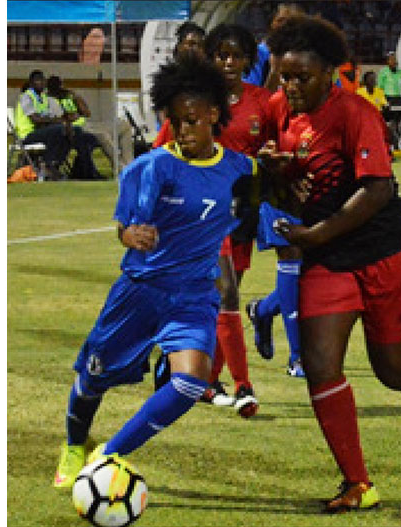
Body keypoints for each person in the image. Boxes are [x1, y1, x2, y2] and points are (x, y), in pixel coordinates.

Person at [261, 15, 401, 512]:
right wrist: (274, 175)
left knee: (392, 368)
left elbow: (378, 189)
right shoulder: (276, 111)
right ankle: (357, 483)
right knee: (319, 364)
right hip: (329, 259)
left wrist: (314, 233)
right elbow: (273, 180)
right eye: (284, 76)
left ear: (331, 71)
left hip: (388, 250)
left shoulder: (354, 112)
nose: (290, 87)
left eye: (302, 77)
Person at [53, 55, 260, 488]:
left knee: (190, 383)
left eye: (191, 121)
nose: (183, 131)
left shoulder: (240, 170)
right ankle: (74, 445)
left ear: (213, 115)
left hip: (193, 296)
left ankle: (106, 455)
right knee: (91, 378)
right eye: (176, 121)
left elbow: (263, 198)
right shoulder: (149, 168)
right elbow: (124, 227)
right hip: (139, 293)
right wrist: (132, 236)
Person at [151, 23, 285, 415]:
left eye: (237, 54)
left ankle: (205, 380)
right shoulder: (195, 101)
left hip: (244, 210)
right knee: (227, 292)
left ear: (248, 60)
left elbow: (273, 146)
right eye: (222, 54)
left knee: (220, 300)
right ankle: (244, 387)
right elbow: (161, 149)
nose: (229, 62)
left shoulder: (264, 102)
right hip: (202, 210)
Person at [47, 75, 105, 180]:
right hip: (68, 130)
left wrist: (77, 98)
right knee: (89, 141)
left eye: (60, 84)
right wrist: (71, 117)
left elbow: (87, 113)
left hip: (83, 126)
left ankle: (80, 170)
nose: (60, 88)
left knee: (91, 142)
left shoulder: (70, 96)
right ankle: (89, 173)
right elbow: (63, 117)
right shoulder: (49, 99)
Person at [245, 2, 306, 91]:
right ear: (272, 23)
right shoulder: (257, 54)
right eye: (281, 20)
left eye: (295, 21)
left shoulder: (310, 56)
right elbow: (251, 98)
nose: (287, 26)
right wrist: (274, 72)